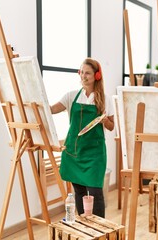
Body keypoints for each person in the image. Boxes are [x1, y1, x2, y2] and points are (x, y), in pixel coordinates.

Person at [50, 57, 114, 218]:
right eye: (81, 72)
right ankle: (83, 224)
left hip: (94, 154)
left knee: (95, 192)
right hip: (74, 152)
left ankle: (100, 230)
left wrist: (105, 120)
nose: (83, 76)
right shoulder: (71, 96)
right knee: (78, 191)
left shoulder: (105, 99)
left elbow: (111, 126)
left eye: (87, 73)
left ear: (96, 76)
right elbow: (51, 110)